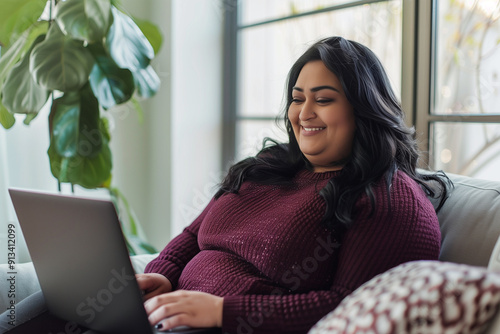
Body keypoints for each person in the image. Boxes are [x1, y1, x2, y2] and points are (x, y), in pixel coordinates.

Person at [137, 36, 451, 334]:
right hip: (171, 320)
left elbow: (351, 309)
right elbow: (195, 233)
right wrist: (164, 272)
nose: (304, 113)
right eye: (297, 98)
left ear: (365, 110)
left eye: (324, 99)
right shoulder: (267, 166)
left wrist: (224, 311)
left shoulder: (390, 199)